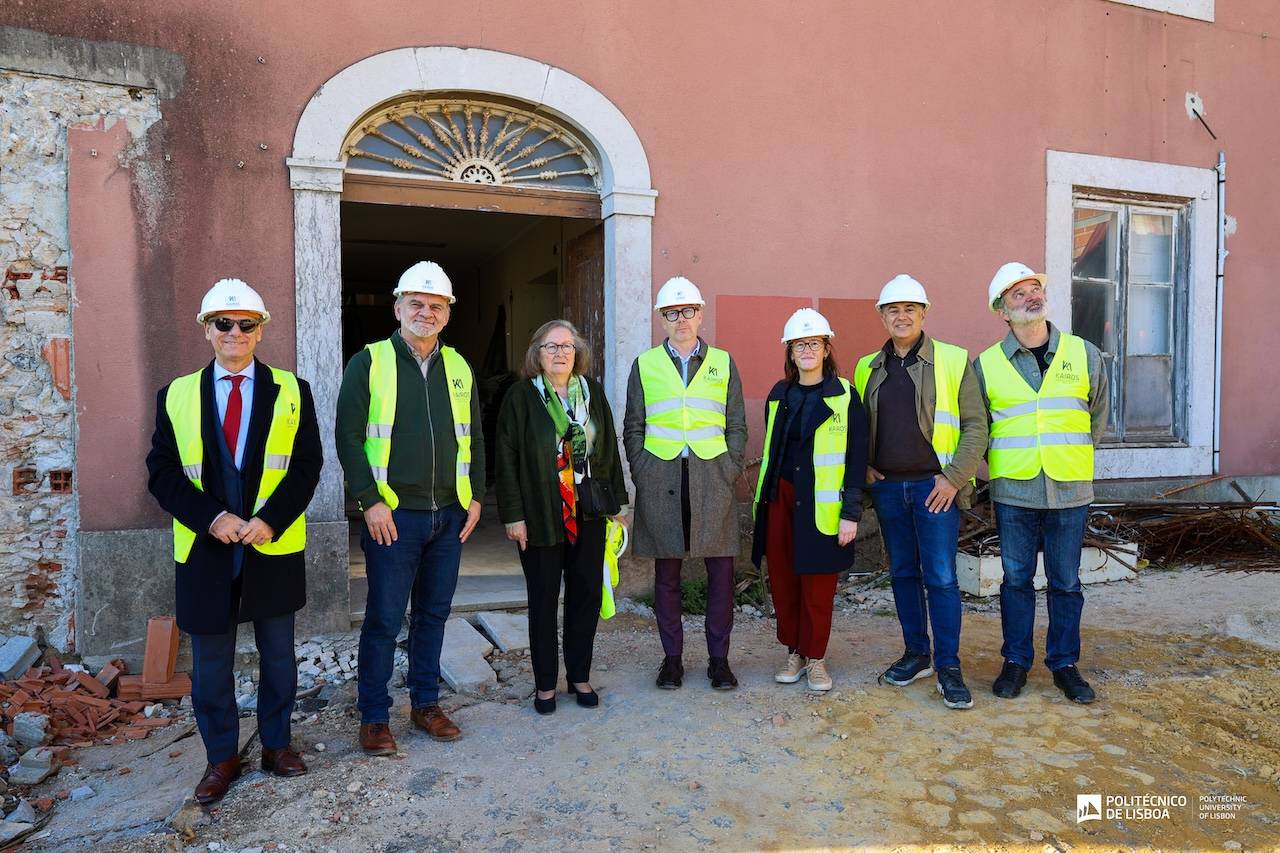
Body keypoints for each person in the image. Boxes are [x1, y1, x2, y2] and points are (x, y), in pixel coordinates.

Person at [147, 278, 322, 804]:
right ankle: (221, 756)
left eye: (246, 324)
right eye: (223, 323)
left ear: (260, 329)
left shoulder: (293, 390)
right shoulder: (176, 395)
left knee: (279, 656)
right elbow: (162, 473)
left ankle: (277, 745)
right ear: (207, 329)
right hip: (206, 550)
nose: (235, 332)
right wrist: (212, 517)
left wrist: (270, 520)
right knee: (211, 665)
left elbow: (306, 466)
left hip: (272, 546)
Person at [335, 261, 485, 753]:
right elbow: (348, 436)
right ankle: (375, 716)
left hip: (450, 515)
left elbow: (475, 436)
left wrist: (476, 495)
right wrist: (369, 501)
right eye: (416, 303)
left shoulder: (459, 367)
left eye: (436, 305)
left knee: (433, 615)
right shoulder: (369, 362)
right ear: (397, 307)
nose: (426, 312)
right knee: (383, 618)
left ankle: (426, 704)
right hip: (393, 516)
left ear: (447, 313)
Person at [974, 262, 1109, 704]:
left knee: (1066, 581)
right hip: (1014, 489)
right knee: (1016, 580)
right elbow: (979, 427)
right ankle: (1015, 662)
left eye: (1035, 289)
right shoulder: (986, 365)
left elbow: (1097, 416)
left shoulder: (1083, 353)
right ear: (1003, 311)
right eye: (1019, 294)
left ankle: (1064, 664)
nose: (1031, 297)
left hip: (1069, 487)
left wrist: (1072, 455)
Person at [853, 275, 988, 709]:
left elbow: (976, 426)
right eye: (893, 309)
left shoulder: (953, 359)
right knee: (903, 574)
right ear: (882, 316)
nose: (902, 316)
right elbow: (859, 429)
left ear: (924, 313)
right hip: (889, 489)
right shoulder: (866, 366)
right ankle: (917, 654)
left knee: (942, 578)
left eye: (910, 308)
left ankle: (949, 666)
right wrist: (863, 466)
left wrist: (954, 478)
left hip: (936, 489)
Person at [495, 320, 629, 714]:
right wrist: (513, 516)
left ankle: (579, 676)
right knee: (543, 598)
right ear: (536, 354)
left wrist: (618, 506)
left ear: (577, 353)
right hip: (540, 512)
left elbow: (609, 450)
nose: (560, 353)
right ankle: (544, 685)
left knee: (586, 594)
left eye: (567, 346)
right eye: (551, 346)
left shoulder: (591, 393)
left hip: (588, 510)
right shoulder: (521, 397)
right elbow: (506, 459)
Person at [623, 276, 748, 690]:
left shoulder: (723, 362)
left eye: (688, 311)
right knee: (667, 576)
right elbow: (634, 424)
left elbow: (736, 423)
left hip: (713, 476)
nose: (681, 319)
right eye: (672, 312)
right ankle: (672, 660)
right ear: (662, 318)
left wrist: (730, 468)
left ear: (700, 314)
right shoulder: (644, 364)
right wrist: (641, 469)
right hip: (661, 476)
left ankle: (719, 661)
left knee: (721, 574)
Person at [752, 309, 866, 691]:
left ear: (826, 348)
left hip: (822, 505)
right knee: (784, 580)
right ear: (790, 351)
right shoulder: (778, 395)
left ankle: (816, 657)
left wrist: (851, 513)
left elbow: (856, 458)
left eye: (814, 343)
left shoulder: (845, 395)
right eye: (799, 344)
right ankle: (794, 653)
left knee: (818, 586)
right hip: (780, 499)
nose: (807, 350)